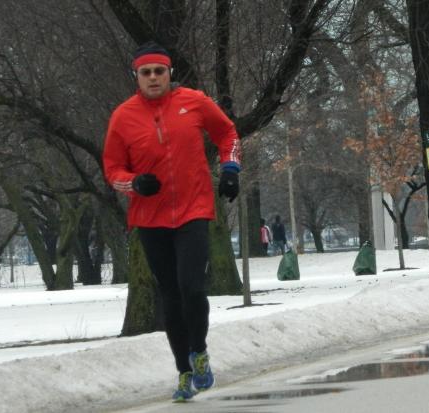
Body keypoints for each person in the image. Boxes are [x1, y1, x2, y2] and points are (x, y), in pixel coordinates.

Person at [102, 41, 241, 402]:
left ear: (169, 73)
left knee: (192, 287)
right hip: (150, 218)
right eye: (145, 73)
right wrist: (134, 183)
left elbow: (227, 133)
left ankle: (199, 351)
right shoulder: (123, 116)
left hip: (194, 210)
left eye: (158, 71)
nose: (152, 78)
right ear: (136, 76)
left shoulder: (194, 102)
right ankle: (183, 371)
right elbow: (112, 169)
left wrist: (230, 168)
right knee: (171, 296)